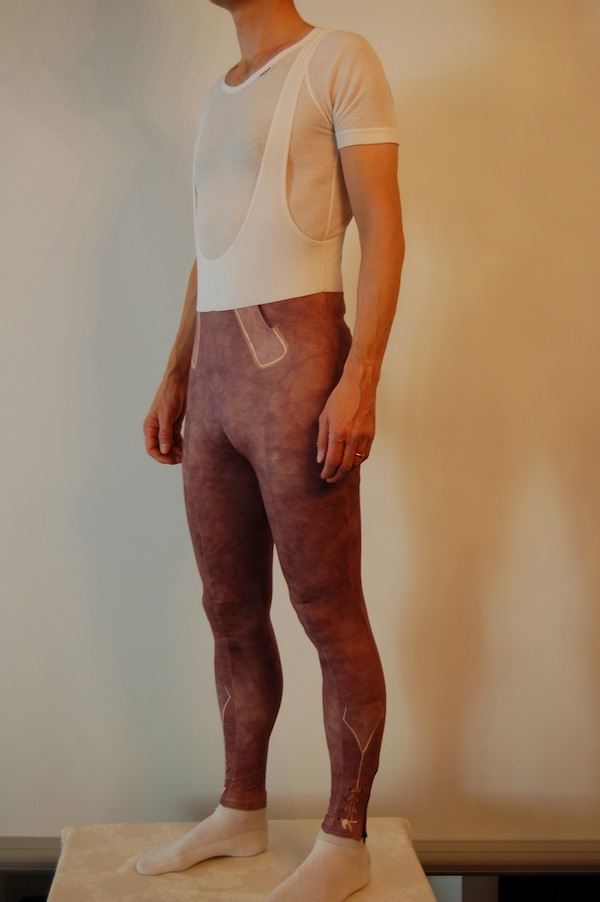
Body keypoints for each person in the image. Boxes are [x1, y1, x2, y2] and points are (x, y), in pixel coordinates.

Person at [138, 1, 404, 899]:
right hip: (217, 381)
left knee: (328, 610)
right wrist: (176, 373)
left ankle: (346, 841)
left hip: (298, 372)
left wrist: (362, 376)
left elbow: (384, 228)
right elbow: (207, 251)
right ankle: (240, 810)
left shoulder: (339, 58)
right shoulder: (219, 94)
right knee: (228, 608)